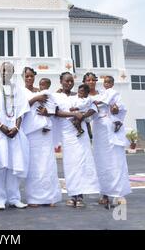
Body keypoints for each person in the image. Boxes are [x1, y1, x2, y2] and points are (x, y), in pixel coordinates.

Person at [0, 62, 30, 210]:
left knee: (13, 165)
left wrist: (16, 127)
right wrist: (0, 126)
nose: (6, 72)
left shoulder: (18, 88)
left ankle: (14, 198)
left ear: (13, 72)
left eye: (9, 70)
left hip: (14, 132)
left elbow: (22, 109)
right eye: (4, 70)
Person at [84, 72, 131, 206]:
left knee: (116, 160)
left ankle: (119, 194)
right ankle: (104, 193)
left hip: (112, 128)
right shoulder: (83, 97)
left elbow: (120, 108)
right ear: (84, 82)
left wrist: (116, 112)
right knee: (102, 162)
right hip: (99, 131)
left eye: (93, 79)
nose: (91, 82)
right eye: (88, 80)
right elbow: (86, 117)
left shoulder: (105, 94)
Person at [53, 72, 100, 208]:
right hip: (67, 134)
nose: (69, 83)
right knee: (70, 165)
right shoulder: (56, 96)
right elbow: (55, 112)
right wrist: (73, 114)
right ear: (60, 81)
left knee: (82, 163)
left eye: (71, 81)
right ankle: (72, 195)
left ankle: (80, 196)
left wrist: (83, 115)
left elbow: (94, 108)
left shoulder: (80, 95)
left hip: (81, 133)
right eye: (66, 81)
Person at [22, 67, 62, 207]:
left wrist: (47, 112)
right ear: (23, 77)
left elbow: (53, 108)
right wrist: (35, 99)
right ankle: (34, 199)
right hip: (31, 132)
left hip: (45, 132)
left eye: (31, 76)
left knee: (47, 164)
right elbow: (20, 108)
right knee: (34, 165)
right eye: (26, 76)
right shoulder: (21, 92)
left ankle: (50, 197)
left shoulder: (42, 91)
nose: (29, 79)